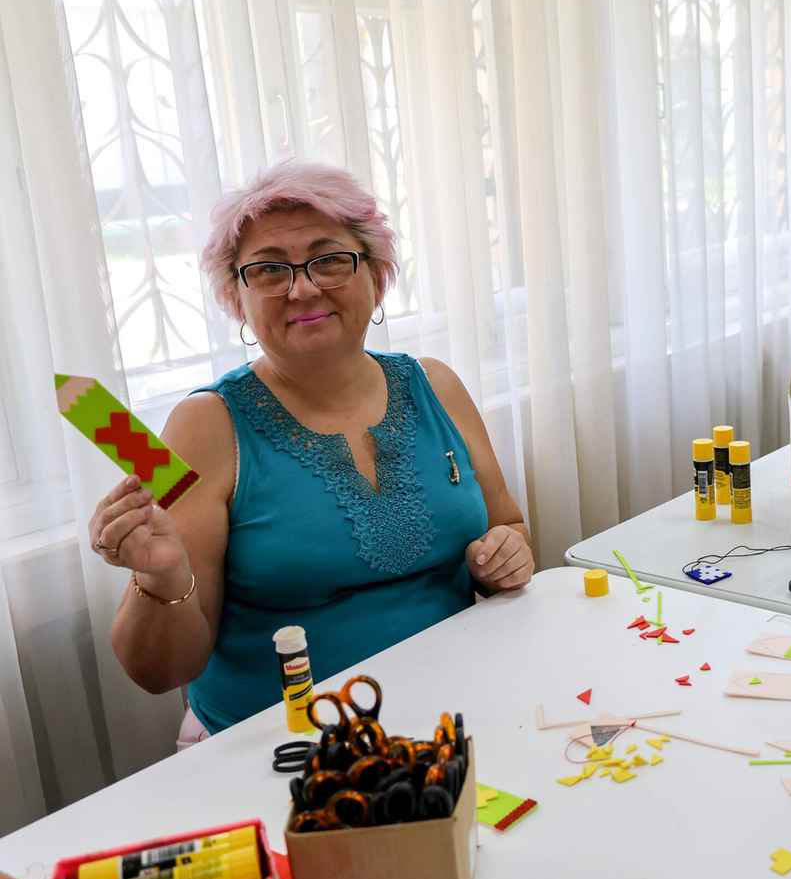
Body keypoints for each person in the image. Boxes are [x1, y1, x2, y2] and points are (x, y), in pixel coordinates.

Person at [88, 162, 534, 740]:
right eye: (269, 269)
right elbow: (160, 672)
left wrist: (506, 558)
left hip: (457, 709)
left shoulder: (436, 384)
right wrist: (161, 578)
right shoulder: (202, 425)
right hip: (286, 747)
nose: (302, 288)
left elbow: (508, 526)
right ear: (237, 299)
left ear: (377, 276)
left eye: (329, 260)